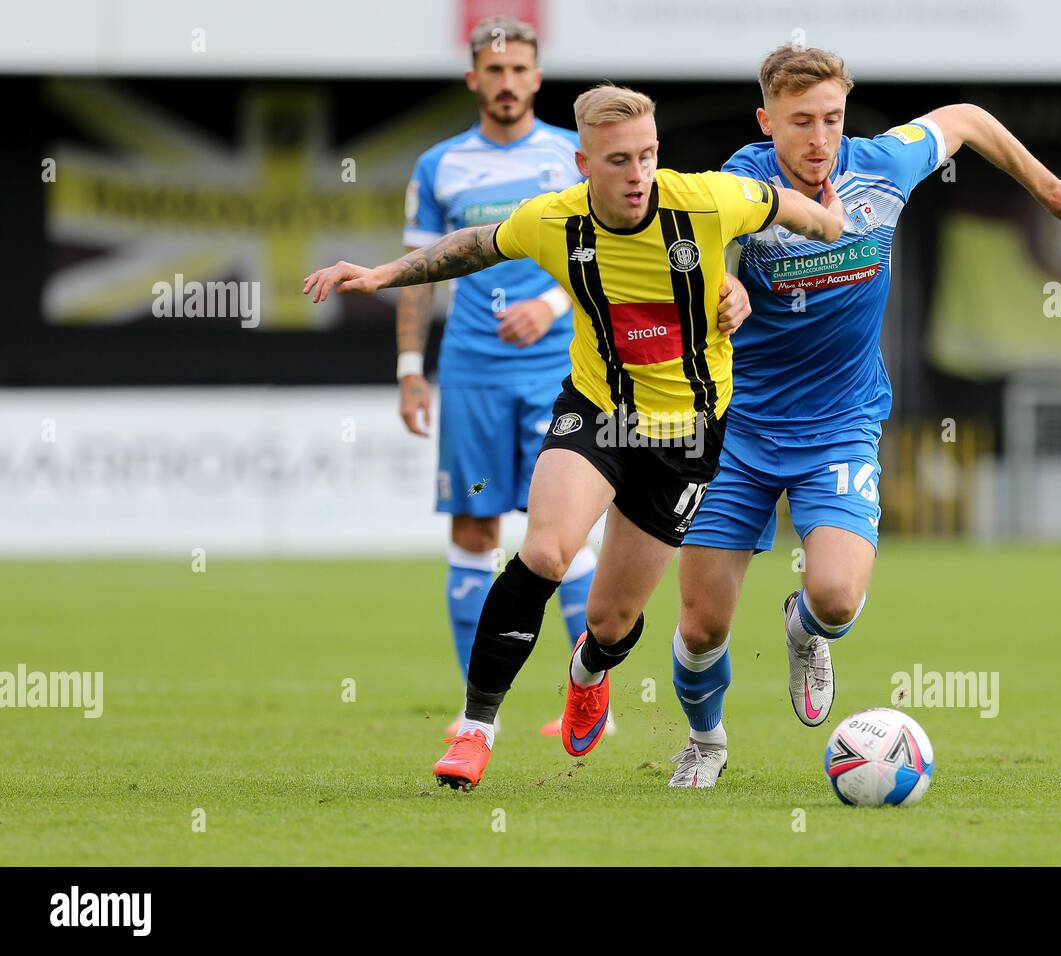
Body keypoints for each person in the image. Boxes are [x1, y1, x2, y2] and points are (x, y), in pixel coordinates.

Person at [304, 83, 844, 791]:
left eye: (648, 156)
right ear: (583, 163)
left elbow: (788, 209)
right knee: (546, 550)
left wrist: (829, 223)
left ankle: (588, 671)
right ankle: (475, 730)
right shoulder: (553, 220)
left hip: (685, 434)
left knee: (612, 619)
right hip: (597, 413)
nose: (638, 174)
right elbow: (473, 246)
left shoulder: (708, 200)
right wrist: (380, 273)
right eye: (620, 160)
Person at [665, 44, 1061, 788]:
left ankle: (804, 631)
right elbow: (702, 242)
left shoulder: (881, 164)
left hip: (840, 423)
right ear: (766, 121)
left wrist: (1044, 188)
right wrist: (725, 288)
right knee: (701, 627)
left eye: (832, 118)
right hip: (736, 427)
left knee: (837, 598)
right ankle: (706, 741)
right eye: (801, 122)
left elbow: (968, 119)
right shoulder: (737, 184)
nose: (820, 138)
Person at [395, 16, 592, 737]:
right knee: (475, 527)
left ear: (537, 78)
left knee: (560, 534)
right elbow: (418, 275)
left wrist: (549, 303)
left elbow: (608, 254)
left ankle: (586, 699)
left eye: (520, 69)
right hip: (473, 372)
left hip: (560, 372)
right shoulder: (438, 166)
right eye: (494, 69)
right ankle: (481, 711)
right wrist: (411, 369)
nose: (507, 82)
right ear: (473, 77)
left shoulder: (574, 158)